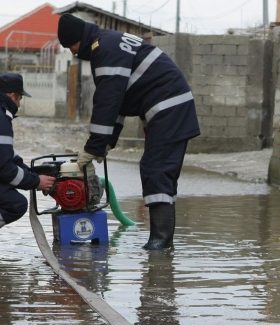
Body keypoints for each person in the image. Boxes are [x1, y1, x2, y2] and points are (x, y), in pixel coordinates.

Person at [57, 14, 200, 251]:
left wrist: (93, 147)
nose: (72, 53)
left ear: (78, 39)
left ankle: (160, 244)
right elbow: (120, 104)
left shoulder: (104, 50)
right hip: (169, 107)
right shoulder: (107, 43)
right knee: (157, 170)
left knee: (156, 169)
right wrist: (106, 143)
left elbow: (107, 102)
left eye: (70, 46)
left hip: (169, 108)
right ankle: (163, 243)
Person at [0, 73, 56, 229]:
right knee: (15, 204)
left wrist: (34, 175)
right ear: (13, 96)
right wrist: (37, 182)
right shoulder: (2, 119)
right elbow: (4, 169)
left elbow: (10, 157)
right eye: (20, 99)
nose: (19, 104)